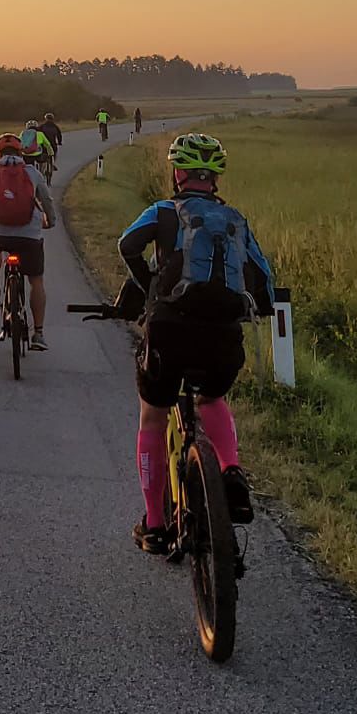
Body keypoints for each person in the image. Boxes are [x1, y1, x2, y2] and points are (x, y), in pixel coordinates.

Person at [117, 131, 275, 554]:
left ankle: (153, 525)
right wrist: (256, 307)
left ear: (178, 172)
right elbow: (263, 280)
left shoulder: (163, 211)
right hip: (222, 336)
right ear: (215, 179)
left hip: (170, 328)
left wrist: (147, 283)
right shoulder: (236, 221)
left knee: (153, 417)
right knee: (211, 399)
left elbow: (127, 245)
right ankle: (231, 472)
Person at [0, 132, 56, 350]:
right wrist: (50, 220)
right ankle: (39, 333)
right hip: (29, 235)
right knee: (36, 281)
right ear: (20, 152)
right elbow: (46, 198)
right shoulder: (31, 172)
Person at [19, 117, 55, 183]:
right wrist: (51, 153)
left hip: (26, 154)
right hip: (38, 154)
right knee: (43, 161)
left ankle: (28, 176)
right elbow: (47, 144)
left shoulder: (23, 133)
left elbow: (19, 143)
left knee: (27, 165)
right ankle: (41, 173)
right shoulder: (40, 134)